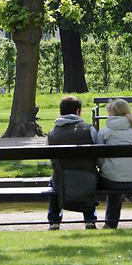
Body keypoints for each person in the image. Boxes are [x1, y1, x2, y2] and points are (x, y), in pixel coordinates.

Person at [47, 95, 98, 230]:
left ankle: (54, 221)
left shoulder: (52, 133)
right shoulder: (90, 129)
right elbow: (98, 156)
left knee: (53, 180)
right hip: (87, 178)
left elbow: (51, 159)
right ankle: (89, 219)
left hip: (61, 179)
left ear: (61, 112)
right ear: (78, 111)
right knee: (89, 178)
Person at [96, 98, 132, 228]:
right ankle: (129, 193)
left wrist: (104, 167)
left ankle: (111, 224)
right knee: (118, 176)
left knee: (113, 178)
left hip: (112, 180)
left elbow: (99, 158)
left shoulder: (104, 131)